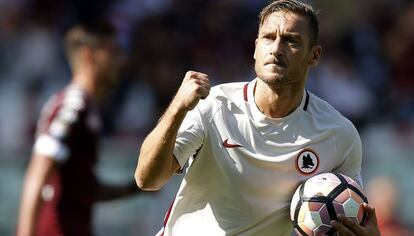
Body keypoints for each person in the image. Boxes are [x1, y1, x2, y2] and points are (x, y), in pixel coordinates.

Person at [135, 0, 381, 235]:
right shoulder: (214, 106)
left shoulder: (338, 134)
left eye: (291, 41)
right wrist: (177, 108)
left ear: (314, 56)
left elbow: (348, 217)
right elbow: (147, 179)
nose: (276, 49)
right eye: (268, 38)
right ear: (255, 48)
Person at [17, 22, 139, 236]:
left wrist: (135, 188)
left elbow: (81, 189)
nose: (121, 61)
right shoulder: (72, 106)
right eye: (113, 53)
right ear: (89, 55)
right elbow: (38, 171)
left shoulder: (88, 109)